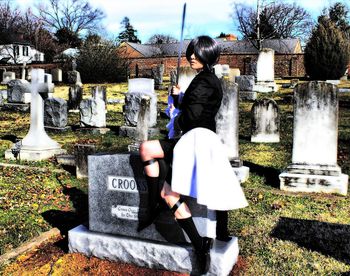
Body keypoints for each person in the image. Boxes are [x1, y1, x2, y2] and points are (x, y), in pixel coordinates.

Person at [139, 35, 247, 274]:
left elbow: (192, 117)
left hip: (194, 140)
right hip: (204, 139)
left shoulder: (203, 81)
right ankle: (161, 205)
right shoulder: (209, 80)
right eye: (190, 52)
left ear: (207, 56)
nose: (191, 57)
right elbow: (195, 107)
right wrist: (180, 98)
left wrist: (180, 106)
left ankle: (162, 210)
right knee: (147, 150)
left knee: (168, 191)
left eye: (197, 53)